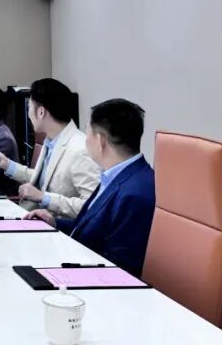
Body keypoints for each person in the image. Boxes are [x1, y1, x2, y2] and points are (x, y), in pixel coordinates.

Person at [25, 98, 156, 276]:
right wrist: (54, 222)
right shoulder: (114, 175)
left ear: (100, 141)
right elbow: (92, 231)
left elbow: (120, 268)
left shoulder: (136, 193)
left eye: (87, 133)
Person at [0, 78, 99, 219]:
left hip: (59, 228)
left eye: (29, 108)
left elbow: (93, 206)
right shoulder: (51, 140)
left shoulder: (80, 149)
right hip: (35, 218)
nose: (28, 114)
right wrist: (7, 165)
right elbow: (46, 179)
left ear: (41, 112)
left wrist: (44, 197)